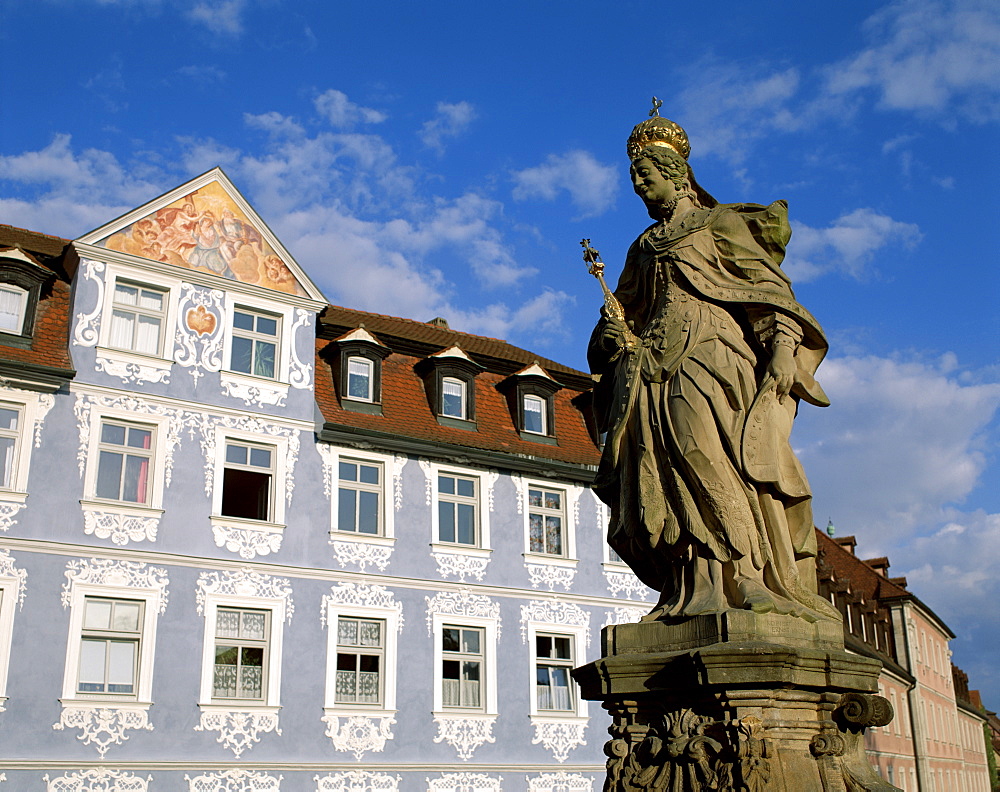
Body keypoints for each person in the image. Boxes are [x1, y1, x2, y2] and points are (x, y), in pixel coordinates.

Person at [589, 112, 839, 623]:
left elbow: (768, 291)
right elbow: (625, 310)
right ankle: (692, 587)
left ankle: (745, 574)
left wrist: (783, 350)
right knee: (660, 469)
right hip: (650, 368)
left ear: (676, 172)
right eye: (633, 177)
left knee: (707, 455)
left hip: (709, 355)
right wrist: (611, 336)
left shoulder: (716, 224)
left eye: (646, 174)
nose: (638, 185)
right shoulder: (641, 248)